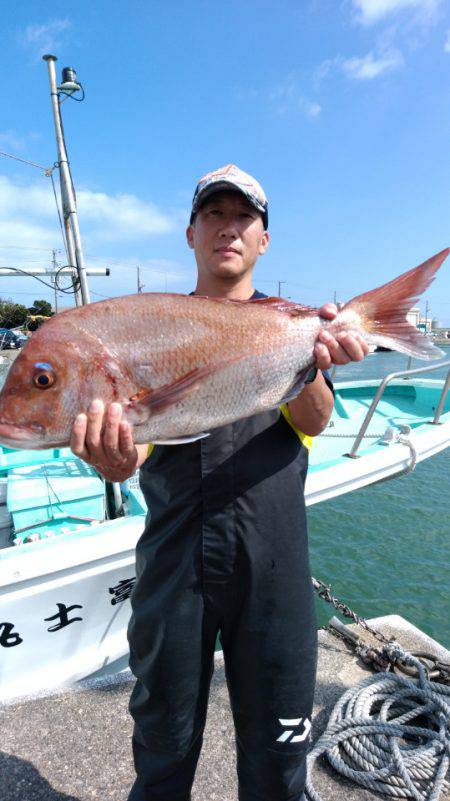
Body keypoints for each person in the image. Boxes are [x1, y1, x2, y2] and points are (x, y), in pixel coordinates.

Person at [70, 164, 369, 801]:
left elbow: (314, 421)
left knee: (278, 754)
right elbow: (134, 451)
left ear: (264, 239)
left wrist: (309, 360)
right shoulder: (157, 327)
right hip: (175, 563)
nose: (228, 228)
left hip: (274, 564)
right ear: (190, 233)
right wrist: (112, 459)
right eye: (214, 214)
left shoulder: (290, 323)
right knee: (163, 744)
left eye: (243, 218)